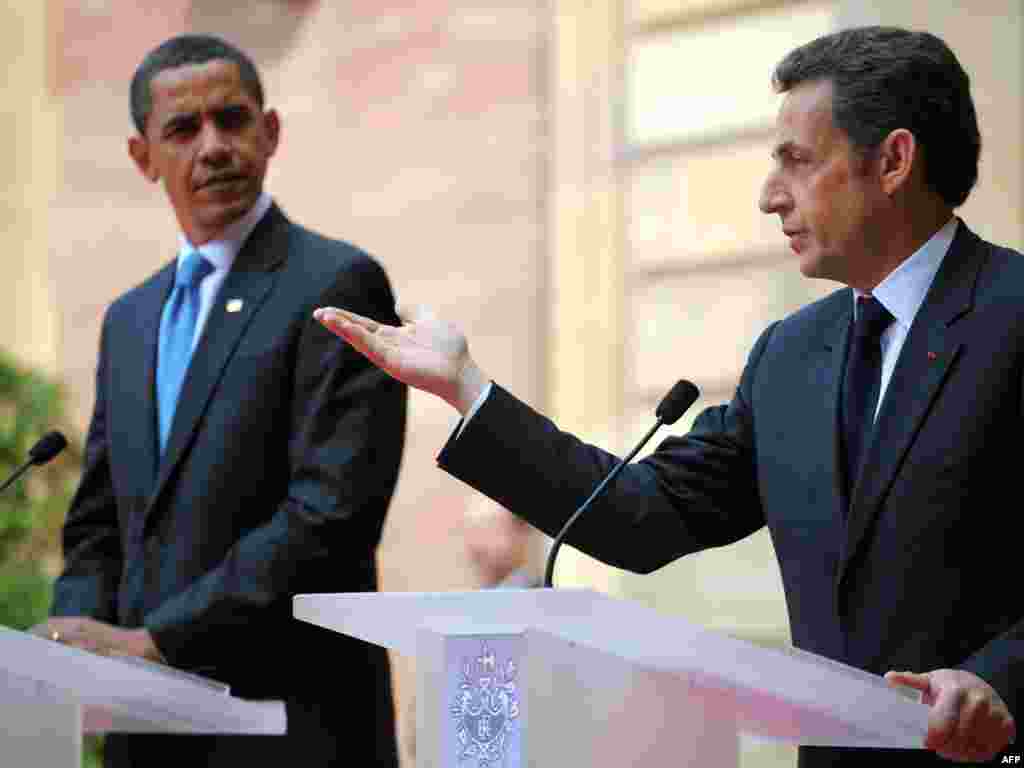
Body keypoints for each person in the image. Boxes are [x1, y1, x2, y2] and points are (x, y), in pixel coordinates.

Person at [315, 26, 1021, 767]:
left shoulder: (1013, 316)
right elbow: (637, 517)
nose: (768, 196)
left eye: (798, 162)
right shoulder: (792, 355)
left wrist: (1002, 682)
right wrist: (467, 388)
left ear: (893, 161)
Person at [35, 34, 406, 767]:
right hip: (150, 739)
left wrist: (158, 641)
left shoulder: (337, 283)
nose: (213, 147)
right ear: (144, 158)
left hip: (289, 728)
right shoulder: (131, 318)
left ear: (269, 134)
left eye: (232, 121)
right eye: (182, 129)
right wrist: (70, 648)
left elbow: (330, 515)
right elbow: (99, 523)